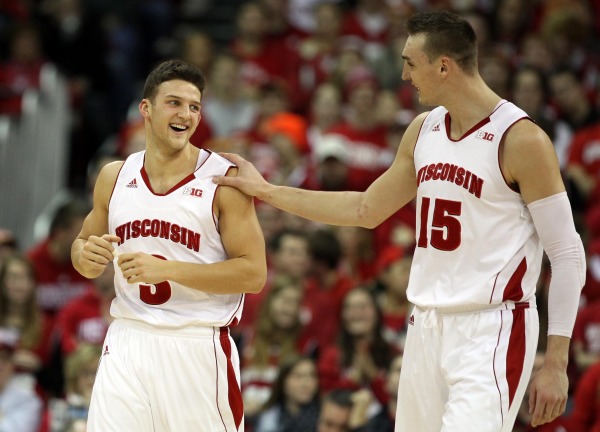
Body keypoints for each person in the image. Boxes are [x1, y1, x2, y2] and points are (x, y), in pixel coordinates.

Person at [213, 10, 587, 431]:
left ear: (443, 65)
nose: (404, 75)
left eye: (411, 62)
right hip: (425, 323)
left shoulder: (521, 139)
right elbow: (364, 210)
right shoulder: (423, 130)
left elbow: (568, 252)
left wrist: (556, 362)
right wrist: (267, 191)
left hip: (492, 328)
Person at [71, 59, 267, 431]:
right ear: (146, 109)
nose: (186, 114)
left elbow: (253, 274)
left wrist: (168, 270)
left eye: (194, 106)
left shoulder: (224, 181)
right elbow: (83, 248)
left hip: (195, 343)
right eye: (174, 103)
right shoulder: (114, 176)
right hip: (128, 338)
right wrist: (85, 256)